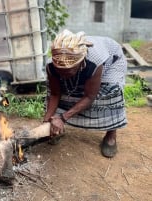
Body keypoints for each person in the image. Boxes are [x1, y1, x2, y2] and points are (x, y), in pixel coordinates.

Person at [43, 29, 128, 158]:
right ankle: (56, 130)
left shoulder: (94, 62)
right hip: (83, 67)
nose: (63, 75)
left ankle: (111, 134)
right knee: (66, 88)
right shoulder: (52, 65)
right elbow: (55, 94)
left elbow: (90, 96)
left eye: (68, 71)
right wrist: (46, 122)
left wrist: (62, 117)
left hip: (112, 61)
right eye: (60, 70)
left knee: (108, 93)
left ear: (80, 62)